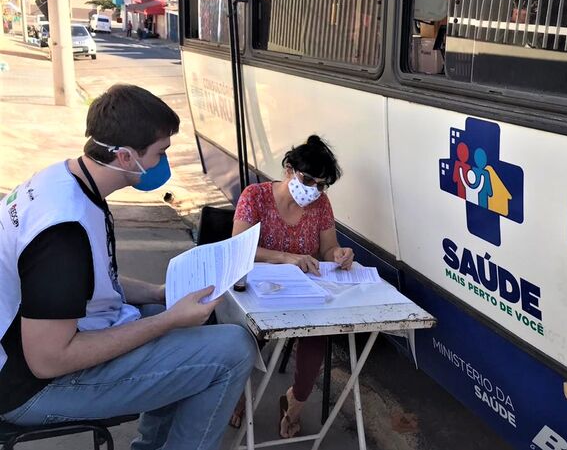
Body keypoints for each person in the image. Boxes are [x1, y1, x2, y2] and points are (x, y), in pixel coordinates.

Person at [0, 84, 256, 450]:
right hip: (30, 388)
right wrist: (167, 321)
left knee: (160, 311)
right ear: (124, 157)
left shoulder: (65, 179)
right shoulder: (62, 232)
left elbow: (86, 283)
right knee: (233, 350)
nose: (162, 163)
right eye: (160, 152)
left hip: (25, 356)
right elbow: (49, 360)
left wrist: (158, 295)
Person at [232, 135, 354, 438]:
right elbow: (239, 248)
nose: (313, 190)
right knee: (244, 342)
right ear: (288, 169)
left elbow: (328, 250)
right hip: (257, 292)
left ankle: (293, 406)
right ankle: (235, 396)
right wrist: (286, 257)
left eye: (322, 184)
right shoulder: (255, 196)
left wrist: (338, 255)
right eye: (308, 179)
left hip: (302, 293)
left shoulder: (321, 204)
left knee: (317, 339)